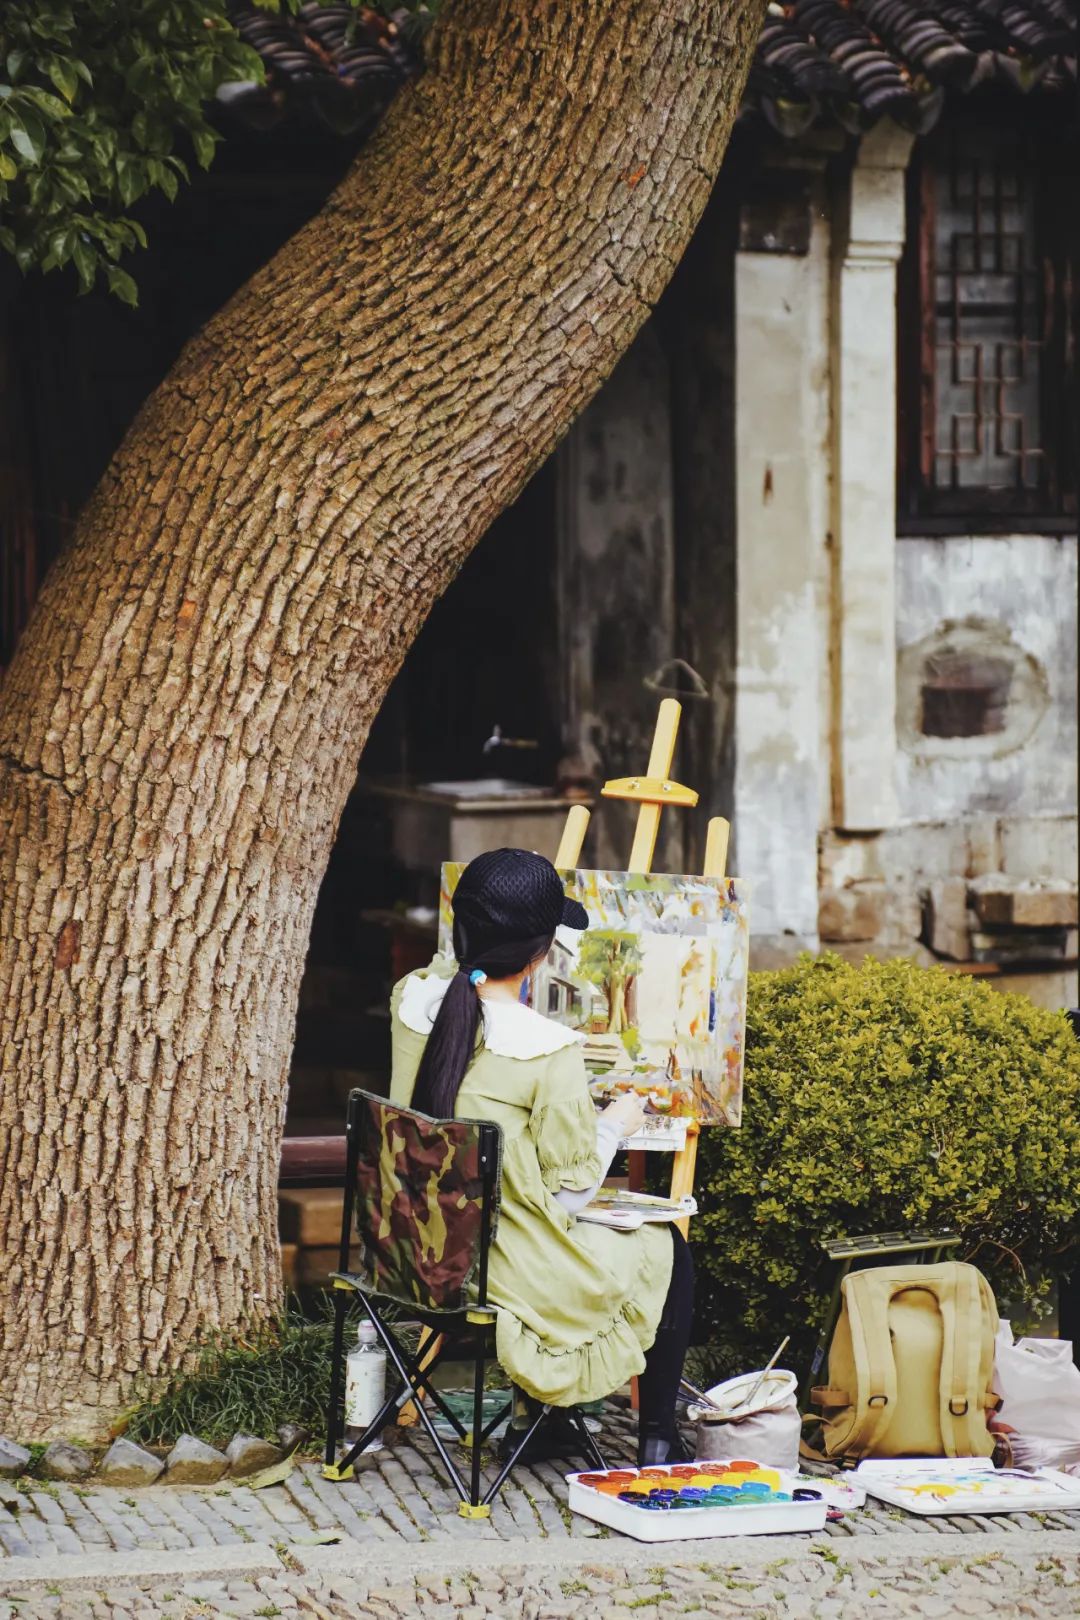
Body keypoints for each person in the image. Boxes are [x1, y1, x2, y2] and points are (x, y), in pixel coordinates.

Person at [389, 846, 694, 1465]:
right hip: (500, 1272)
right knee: (669, 1252)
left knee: (567, 1229)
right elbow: (570, 1194)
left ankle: (547, 1427)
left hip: (414, 1252)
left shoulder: (411, 1003)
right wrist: (615, 1121)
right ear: (539, 953)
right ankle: (657, 1436)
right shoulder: (547, 1048)